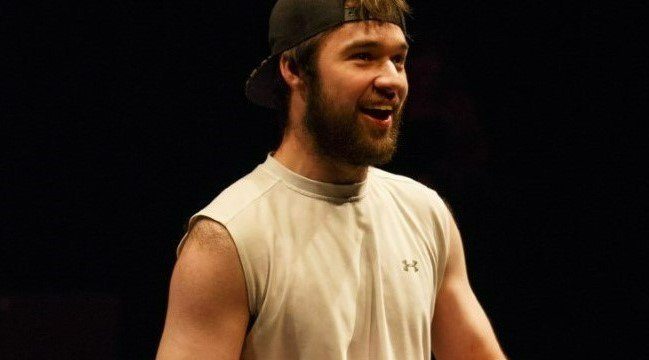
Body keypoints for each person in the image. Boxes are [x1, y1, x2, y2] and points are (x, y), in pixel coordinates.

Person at [156, 0, 507, 359]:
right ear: (294, 69)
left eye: (398, 60)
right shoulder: (228, 238)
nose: (391, 79)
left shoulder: (426, 214)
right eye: (363, 56)